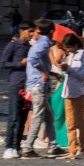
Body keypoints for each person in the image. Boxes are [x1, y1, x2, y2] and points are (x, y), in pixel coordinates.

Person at [21, 19, 64, 158]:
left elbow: (39, 61)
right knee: (38, 117)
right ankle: (27, 147)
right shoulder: (44, 42)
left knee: (49, 116)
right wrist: (44, 73)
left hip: (38, 84)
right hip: (38, 85)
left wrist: (52, 74)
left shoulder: (41, 42)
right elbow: (33, 60)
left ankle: (53, 145)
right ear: (51, 31)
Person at [56, 33, 84, 159]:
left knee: (79, 123)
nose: (67, 50)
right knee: (70, 124)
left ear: (75, 44)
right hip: (67, 92)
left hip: (77, 93)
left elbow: (83, 76)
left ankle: (82, 148)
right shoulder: (70, 55)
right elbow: (69, 74)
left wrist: (69, 69)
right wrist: (61, 71)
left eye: (68, 47)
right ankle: (72, 150)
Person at [0, 23, 33, 159]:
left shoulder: (31, 47)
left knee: (23, 117)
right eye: (29, 31)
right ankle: (8, 147)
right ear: (22, 31)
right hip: (16, 84)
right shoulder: (13, 45)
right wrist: (19, 64)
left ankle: (17, 146)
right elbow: (2, 64)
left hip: (27, 85)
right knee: (13, 117)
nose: (31, 34)